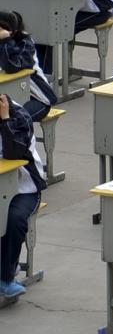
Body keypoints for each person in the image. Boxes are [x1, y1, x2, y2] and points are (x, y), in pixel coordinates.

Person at [0, 85, 44, 299]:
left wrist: (4, 120)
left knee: (13, 218)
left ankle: (6, 277)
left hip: (24, 189)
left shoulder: (19, 115)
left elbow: (14, 152)